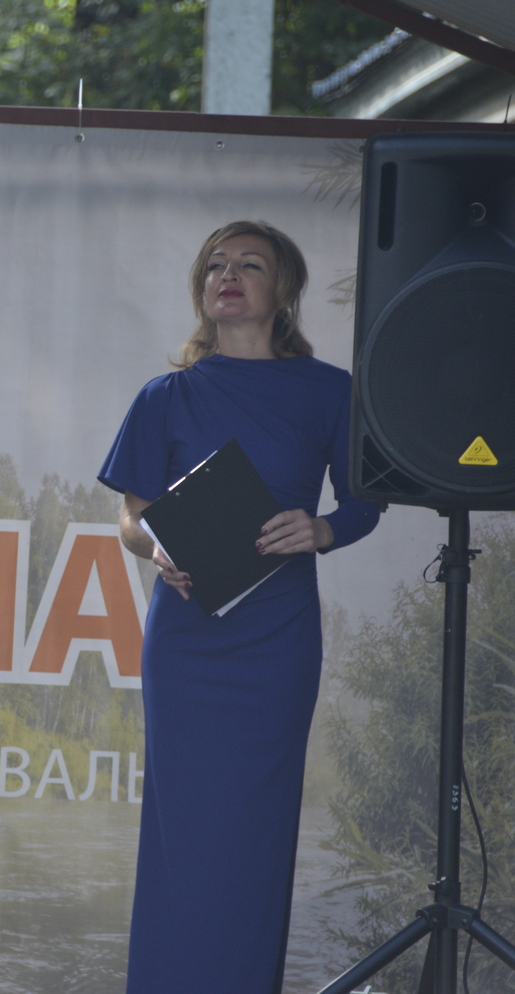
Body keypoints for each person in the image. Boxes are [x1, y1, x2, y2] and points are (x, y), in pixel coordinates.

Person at [98, 220, 380, 994]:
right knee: (180, 835)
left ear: (283, 291)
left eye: (250, 264)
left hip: (276, 643)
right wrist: (154, 546)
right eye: (216, 265)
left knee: (256, 830)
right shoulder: (165, 396)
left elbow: (366, 504)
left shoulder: (330, 391)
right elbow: (130, 518)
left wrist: (321, 529)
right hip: (186, 644)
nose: (229, 275)